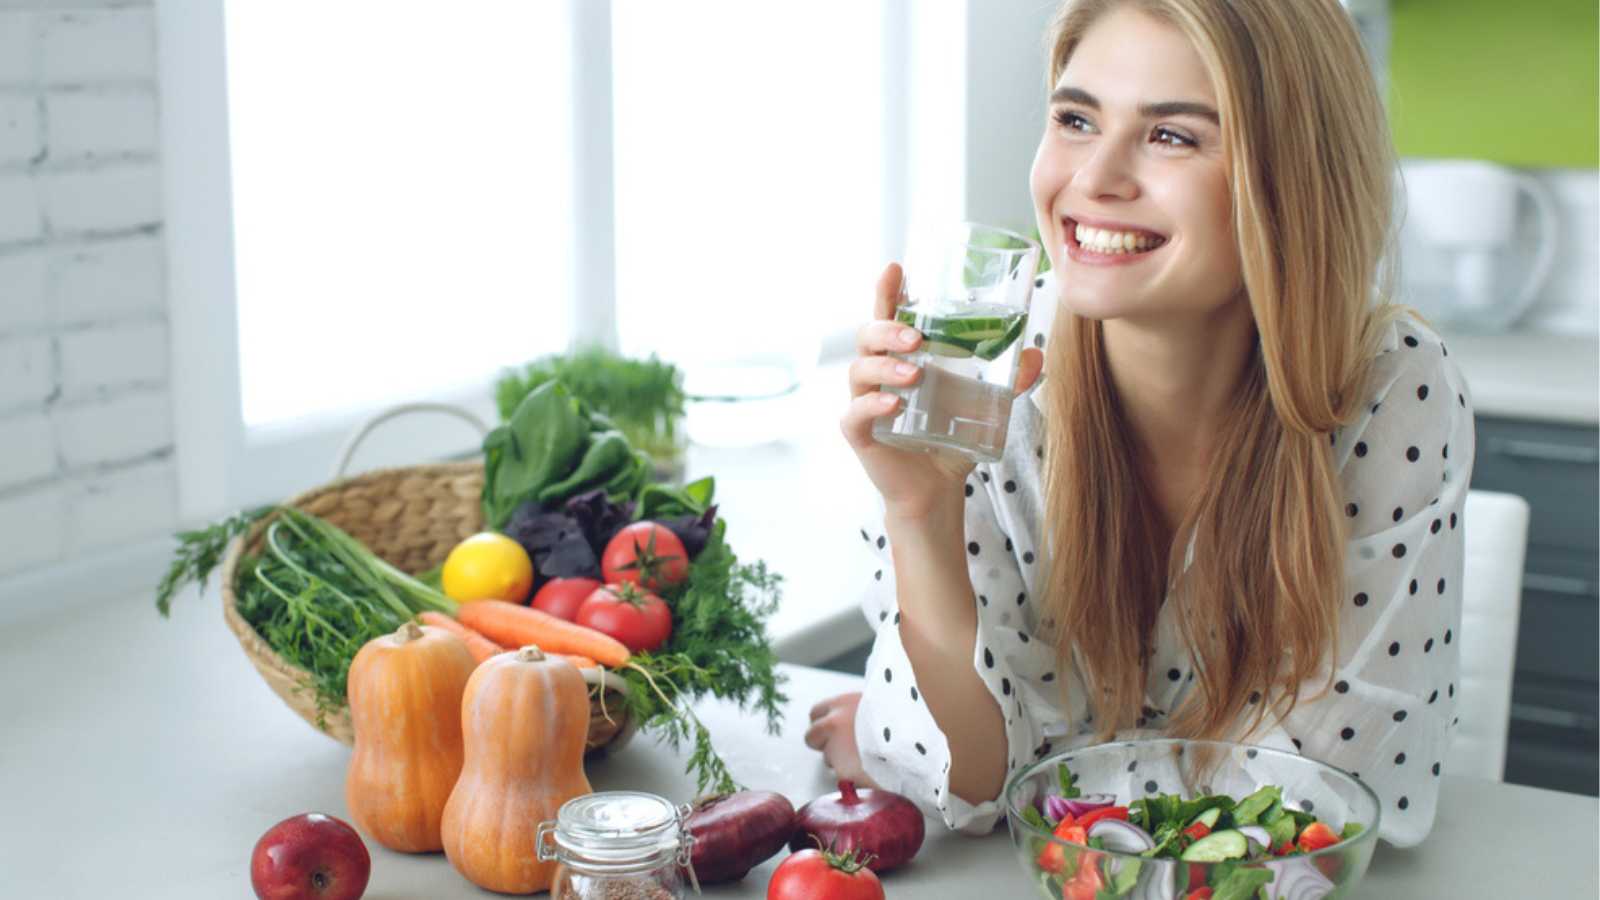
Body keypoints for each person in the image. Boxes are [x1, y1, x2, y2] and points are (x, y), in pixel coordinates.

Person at [810, 0, 1473, 849]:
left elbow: (1316, 811)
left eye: (1173, 136)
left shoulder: (1391, 385)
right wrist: (918, 515)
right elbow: (973, 787)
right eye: (1076, 119)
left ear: (1292, 176)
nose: (1095, 178)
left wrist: (1033, 757)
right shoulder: (997, 375)